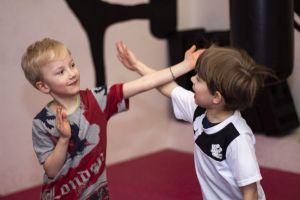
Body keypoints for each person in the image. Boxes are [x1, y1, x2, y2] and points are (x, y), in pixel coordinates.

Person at [21, 38, 202, 200]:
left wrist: (185, 66)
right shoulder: (42, 122)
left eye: (72, 65)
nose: (72, 73)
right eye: (60, 72)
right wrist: (64, 139)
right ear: (44, 86)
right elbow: (51, 170)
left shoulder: (97, 99)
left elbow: (144, 83)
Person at [117, 41, 276, 200]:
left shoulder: (237, 138)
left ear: (216, 97)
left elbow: (250, 191)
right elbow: (169, 87)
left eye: (199, 79)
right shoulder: (200, 111)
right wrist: (137, 65)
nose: (192, 79)